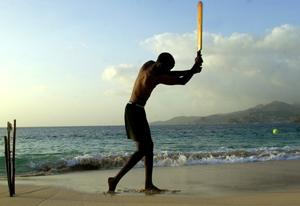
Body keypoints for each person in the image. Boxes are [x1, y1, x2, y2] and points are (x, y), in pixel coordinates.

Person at [108, 52, 203, 192]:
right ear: (161, 65)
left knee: (149, 147)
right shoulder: (154, 76)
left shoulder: (148, 64)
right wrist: (194, 67)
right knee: (142, 150)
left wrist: (192, 69)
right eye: (168, 68)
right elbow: (181, 81)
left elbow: (171, 73)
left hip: (136, 109)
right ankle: (114, 180)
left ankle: (148, 184)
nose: (169, 71)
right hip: (134, 111)